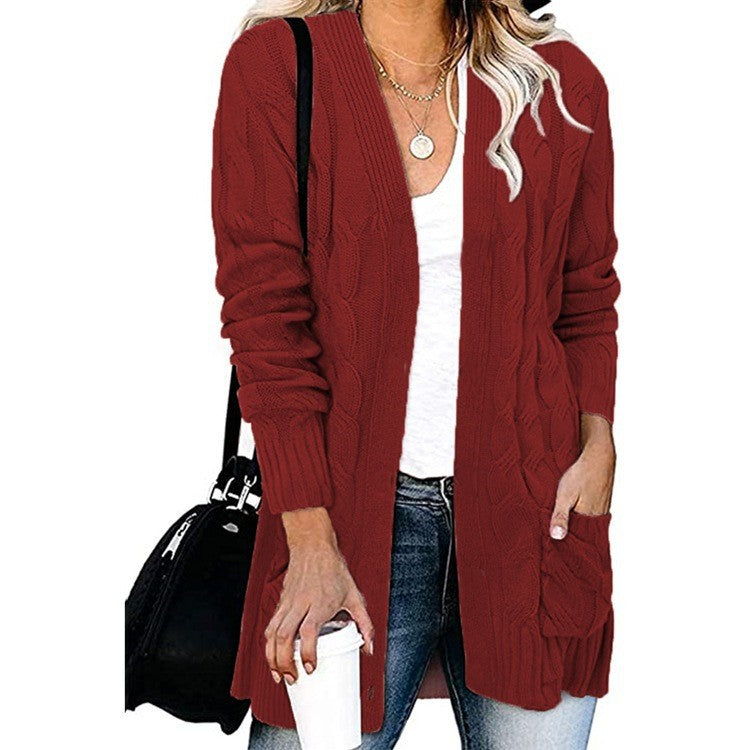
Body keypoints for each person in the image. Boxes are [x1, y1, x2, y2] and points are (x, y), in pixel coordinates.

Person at [211, 0, 619, 747]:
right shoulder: (279, 67)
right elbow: (265, 321)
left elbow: (586, 294)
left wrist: (598, 441)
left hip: (536, 520)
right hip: (341, 526)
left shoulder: (558, 82)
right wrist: (308, 536)